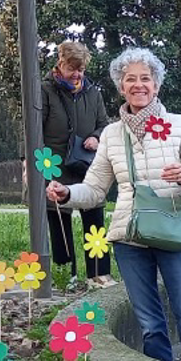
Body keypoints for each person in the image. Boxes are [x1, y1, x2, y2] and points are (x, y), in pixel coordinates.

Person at [45, 48, 181, 361]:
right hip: (130, 239)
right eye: (130, 80)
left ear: (156, 85)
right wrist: (67, 194)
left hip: (177, 235)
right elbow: (94, 189)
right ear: (121, 87)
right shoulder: (111, 134)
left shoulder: (178, 125)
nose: (138, 85)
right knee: (151, 328)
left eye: (145, 79)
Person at [42, 40, 114, 288]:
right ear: (60, 64)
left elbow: (105, 124)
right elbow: (31, 129)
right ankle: (66, 276)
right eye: (72, 68)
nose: (77, 75)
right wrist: (28, 163)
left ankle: (99, 274)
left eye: (81, 69)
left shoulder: (93, 93)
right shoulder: (44, 91)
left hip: (86, 166)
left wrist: (96, 136)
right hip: (53, 165)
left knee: (95, 220)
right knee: (59, 221)